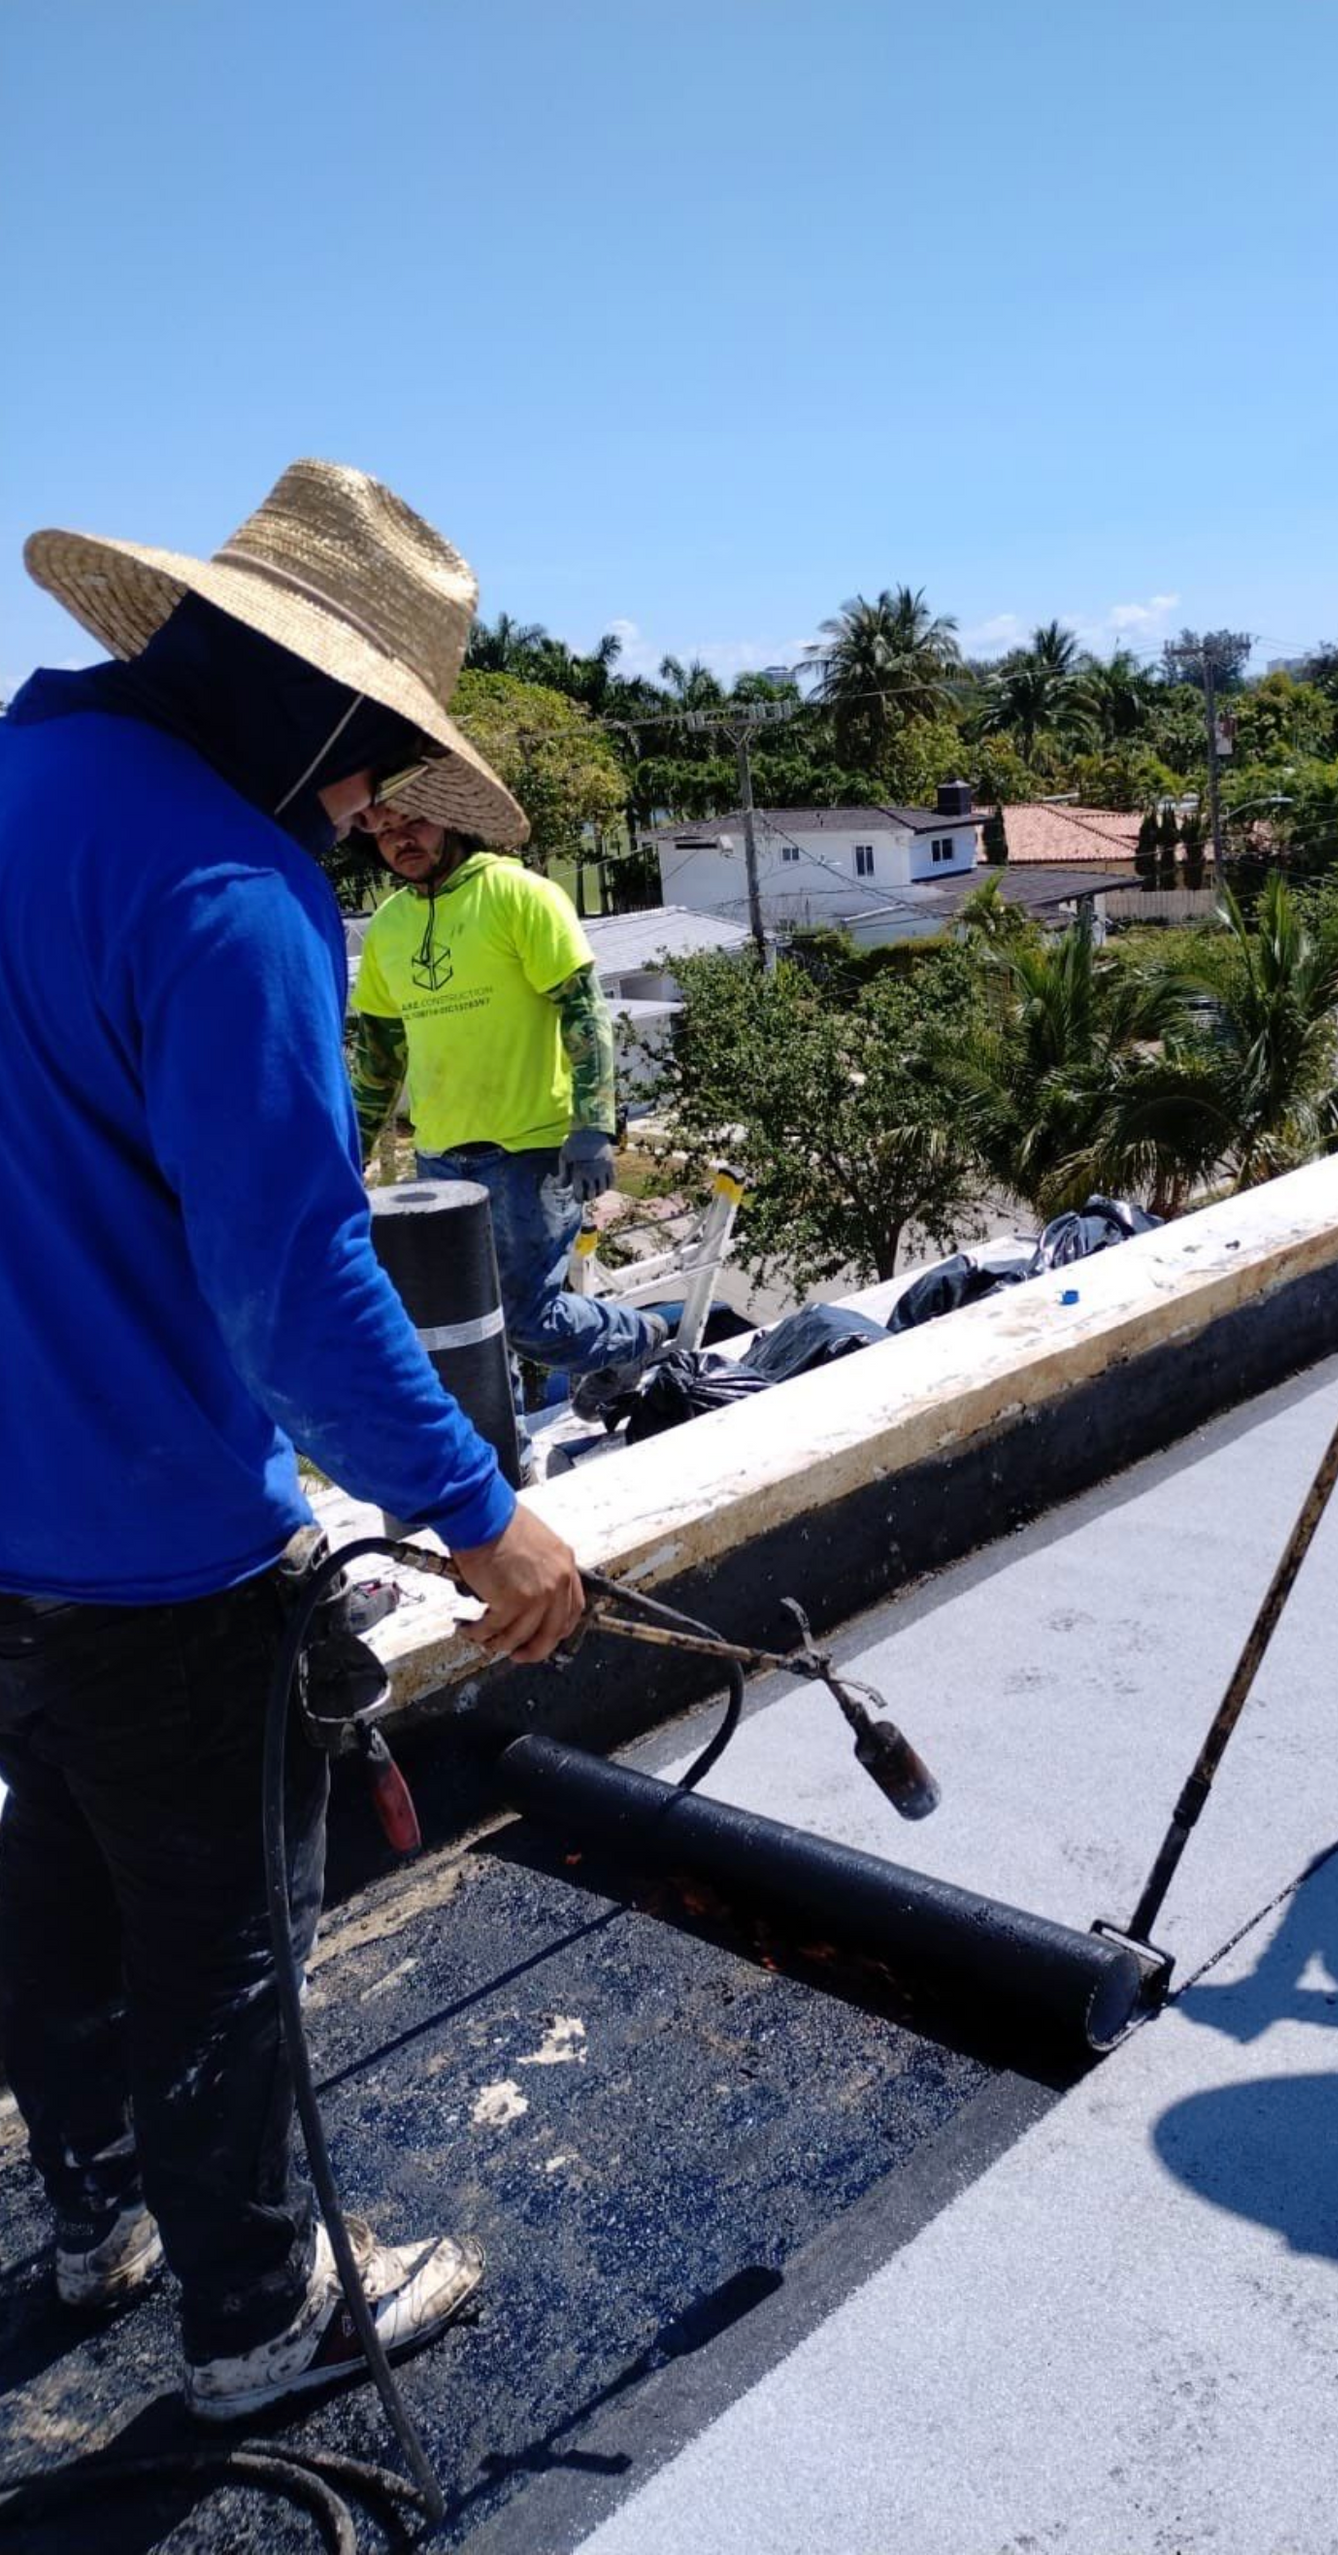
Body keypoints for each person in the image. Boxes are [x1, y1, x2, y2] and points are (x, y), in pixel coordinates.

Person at [0, 461, 586, 2419]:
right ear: (319, 705)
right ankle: (257, 2316)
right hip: (161, 1549)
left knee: (55, 1889)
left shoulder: (19, 795)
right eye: (369, 764)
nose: (365, 810)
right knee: (218, 1936)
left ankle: (90, 2218)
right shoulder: (231, 889)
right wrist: (482, 1513)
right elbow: (296, 1285)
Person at [346, 797, 663, 1420]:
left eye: (415, 821)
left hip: (530, 1151)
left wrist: (594, 1123)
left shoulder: (521, 895)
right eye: (384, 832)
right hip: (439, 1160)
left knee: (527, 1319)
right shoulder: (387, 927)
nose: (399, 840)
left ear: (453, 819)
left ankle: (635, 1341)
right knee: (460, 1326)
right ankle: (502, 1450)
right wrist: (348, 1150)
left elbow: (584, 1011)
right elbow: (379, 1058)